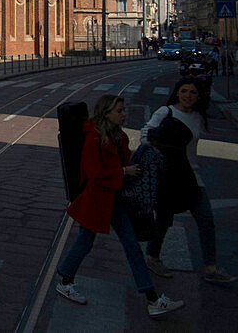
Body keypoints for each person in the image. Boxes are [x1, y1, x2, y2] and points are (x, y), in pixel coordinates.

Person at [55, 94, 184, 318]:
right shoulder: (93, 138)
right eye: (119, 111)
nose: (124, 114)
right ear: (106, 113)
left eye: (123, 110)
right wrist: (124, 172)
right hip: (96, 201)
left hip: (114, 199)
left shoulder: (119, 136)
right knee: (85, 243)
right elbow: (94, 172)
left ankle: (152, 299)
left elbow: (123, 161)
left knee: (132, 247)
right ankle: (65, 280)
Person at [140, 78, 235, 284]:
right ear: (177, 93)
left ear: (198, 96)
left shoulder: (198, 117)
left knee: (206, 220)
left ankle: (211, 267)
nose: (188, 96)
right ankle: (152, 257)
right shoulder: (166, 113)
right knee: (164, 220)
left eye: (192, 92)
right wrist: (160, 155)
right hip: (168, 176)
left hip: (192, 175)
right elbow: (145, 135)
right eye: (184, 91)